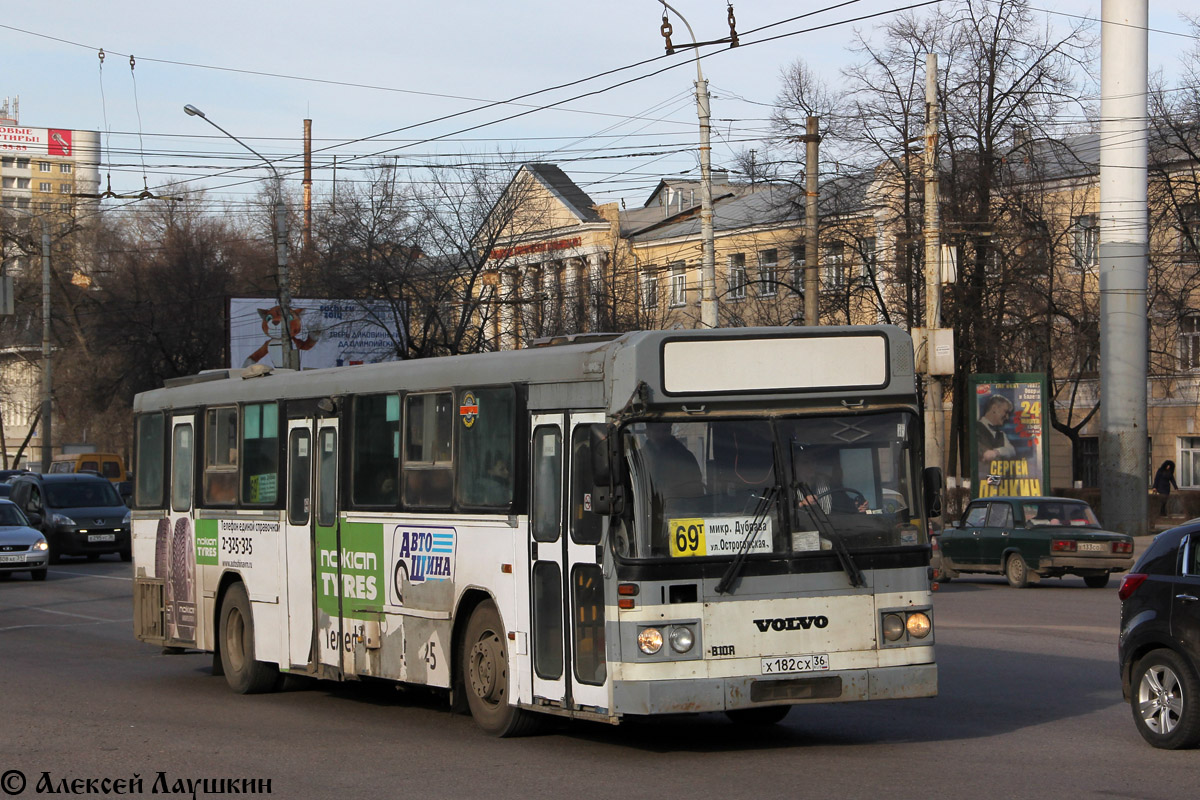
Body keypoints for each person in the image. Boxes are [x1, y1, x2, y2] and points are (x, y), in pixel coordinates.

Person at [977, 394, 1016, 463]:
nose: (1007, 417)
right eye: (1005, 412)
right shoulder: (975, 428)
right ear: (994, 408)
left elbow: (1012, 451)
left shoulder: (1001, 434)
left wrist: (996, 452)